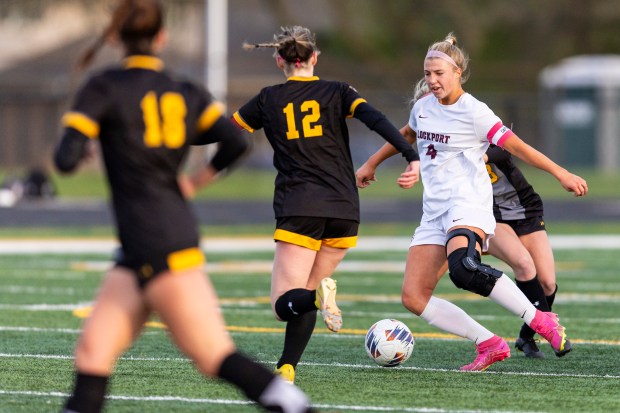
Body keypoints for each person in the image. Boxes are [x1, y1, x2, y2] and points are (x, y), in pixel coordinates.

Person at [54, 2, 315, 412]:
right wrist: (194, 182)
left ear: (117, 37)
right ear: (162, 37)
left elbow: (64, 161)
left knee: (214, 355)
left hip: (156, 242)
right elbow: (235, 141)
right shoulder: (185, 88)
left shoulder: (104, 86)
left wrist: (88, 144)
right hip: (147, 243)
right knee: (92, 354)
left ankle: (296, 406)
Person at [355, 32, 588, 371]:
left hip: (469, 204)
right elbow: (405, 134)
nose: (432, 80)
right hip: (434, 212)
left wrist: (560, 173)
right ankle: (489, 344)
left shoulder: (475, 112)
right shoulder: (423, 108)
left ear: (457, 73)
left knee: (464, 268)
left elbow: (518, 147)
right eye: (427, 74)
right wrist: (372, 163)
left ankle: (541, 320)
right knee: (414, 297)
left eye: (439, 73)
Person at [231, 26, 420, 383]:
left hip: (300, 206)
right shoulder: (337, 91)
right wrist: (411, 156)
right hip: (345, 209)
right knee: (305, 293)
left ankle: (317, 302)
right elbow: (376, 119)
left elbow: (226, 132)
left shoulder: (268, 98)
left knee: (283, 304)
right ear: (314, 58)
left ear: (279, 61)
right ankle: (286, 368)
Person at [484, 144, 564, 358]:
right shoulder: (445, 140)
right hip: (488, 215)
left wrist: (473, 155)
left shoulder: (484, 127)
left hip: (525, 210)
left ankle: (526, 337)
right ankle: (552, 332)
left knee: (547, 284)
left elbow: (503, 149)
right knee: (524, 264)